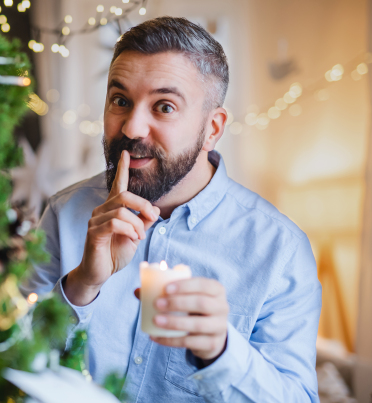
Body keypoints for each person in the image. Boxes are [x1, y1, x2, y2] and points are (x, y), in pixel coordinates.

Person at [22, 16, 321, 402]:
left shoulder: (280, 250)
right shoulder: (65, 214)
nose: (132, 128)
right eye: (120, 101)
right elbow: (4, 359)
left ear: (212, 128)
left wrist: (222, 352)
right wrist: (81, 286)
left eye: (163, 106)